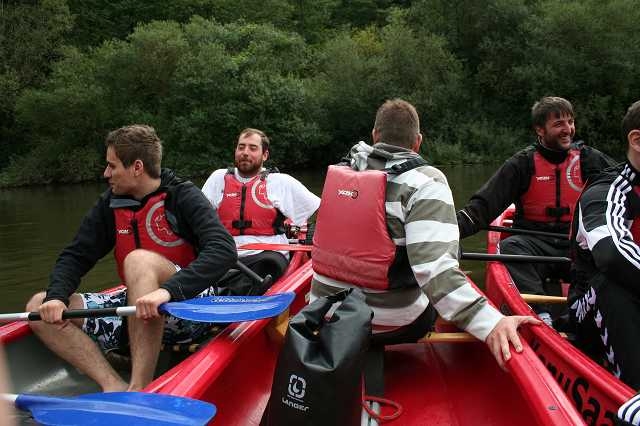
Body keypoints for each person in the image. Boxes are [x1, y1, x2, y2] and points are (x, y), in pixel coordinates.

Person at [311, 99, 540, 369]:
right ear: (417, 142)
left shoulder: (340, 173)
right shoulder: (426, 182)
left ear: (375, 136)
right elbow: (435, 271)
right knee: (443, 263)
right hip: (390, 323)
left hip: (322, 313)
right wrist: (492, 322)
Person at [26, 125, 237, 392]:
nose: (106, 173)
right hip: (136, 307)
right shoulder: (111, 203)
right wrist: (56, 297)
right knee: (38, 307)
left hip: (188, 306)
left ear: (137, 167)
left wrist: (168, 292)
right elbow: (75, 256)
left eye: (112, 166)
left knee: (138, 260)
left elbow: (224, 249)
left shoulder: (182, 195)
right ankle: (112, 384)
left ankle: (139, 388)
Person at [456, 96, 615, 327]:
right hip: (534, 245)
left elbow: (626, 189)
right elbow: (481, 209)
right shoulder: (522, 164)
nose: (568, 129)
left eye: (570, 122)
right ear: (540, 129)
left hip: (576, 245)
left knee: (607, 250)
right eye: (559, 124)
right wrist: (445, 233)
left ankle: (590, 311)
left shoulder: (591, 159)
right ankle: (540, 314)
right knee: (510, 247)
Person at [568, 100, 640, 390]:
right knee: (611, 282)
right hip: (591, 305)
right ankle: (633, 390)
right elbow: (611, 255)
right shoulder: (606, 192)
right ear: (637, 140)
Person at [201, 128, 320, 295]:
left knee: (269, 265)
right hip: (225, 253)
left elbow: (322, 212)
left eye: (252, 148)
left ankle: (223, 295)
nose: (245, 152)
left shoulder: (281, 182)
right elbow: (197, 219)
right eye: (241, 147)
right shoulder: (218, 178)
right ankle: (220, 291)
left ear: (265, 155)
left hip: (266, 254)